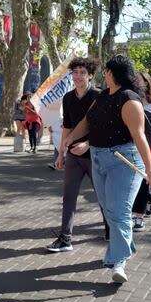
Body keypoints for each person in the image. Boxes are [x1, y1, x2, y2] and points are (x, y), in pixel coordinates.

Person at [59, 54, 151, 284]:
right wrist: (70, 138)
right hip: (99, 157)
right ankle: (124, 249)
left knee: (119, 209)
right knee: (108, 208)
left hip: (124, 160)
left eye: (107, 71)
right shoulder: (103, 95)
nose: (105, 74)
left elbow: (140, 137)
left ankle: (119, 261)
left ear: (113, 73)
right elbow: (86, 121)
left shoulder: (129, 100)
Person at [48, 57, 110, 252]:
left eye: (82, 72)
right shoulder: (67, 98)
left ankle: (111, 229)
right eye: (75, 72)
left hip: (95, 154)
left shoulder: (98, 96)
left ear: (90, 75)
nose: (78, 76)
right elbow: (67, 126)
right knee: (69, 196)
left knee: (103, 196)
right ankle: (65, 238)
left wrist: (88, 144)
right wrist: (60, 154)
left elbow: (105, 127)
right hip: (74, 156)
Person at [130, 71, 151, 232]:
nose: (137, 83)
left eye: (140, 80)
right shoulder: (127, 99)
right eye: (135, 80)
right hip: (130, 145)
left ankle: (138, 216)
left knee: (143, 179)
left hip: (149, 146)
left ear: (147, 83)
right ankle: (150, 199)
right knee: (133, 180)